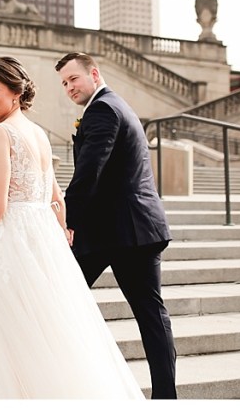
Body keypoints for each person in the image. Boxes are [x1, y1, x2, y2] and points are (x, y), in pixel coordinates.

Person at [0, 55, 144, 399]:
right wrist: (61, 234)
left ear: (16, 91)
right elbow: (57, 199)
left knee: (16, 338)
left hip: (11, 243)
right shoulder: (38, 134)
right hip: (42, 239)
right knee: (52, 334)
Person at [55, 52, 177, 399]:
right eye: (64, 83)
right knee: (151, 316)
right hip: (126, 229)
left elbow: (89, 171)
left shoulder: (103, 109)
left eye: (74, 79)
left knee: (60, 298)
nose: (69, 87)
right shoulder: (115, 104)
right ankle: (164, 397)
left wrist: (66, 221)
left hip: (123, 232)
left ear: (94, 73)